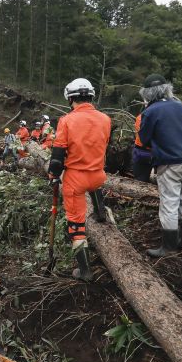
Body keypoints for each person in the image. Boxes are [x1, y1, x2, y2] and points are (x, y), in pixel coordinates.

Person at [48, 78, 112, 281]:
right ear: (91, 96)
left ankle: (84, 271)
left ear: (70, 98)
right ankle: (100, 211)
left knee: (76, 225)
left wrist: (53, 175)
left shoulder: (66, 121)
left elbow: (57, 159)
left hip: (76, 179)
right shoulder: (105, 119)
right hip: (99, 175)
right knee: (94, 184)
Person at [137, 74, 182, 256]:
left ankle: (169, 247)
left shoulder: (150, 111)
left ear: (146, 94)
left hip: (169, 161)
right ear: (167, 89)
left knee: (169, 204)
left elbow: (144, 139)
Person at [131, 110, 153, 182]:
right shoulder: (161, 117)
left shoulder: (141, 117)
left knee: (139, 178)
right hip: (152, 152)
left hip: (141, 151)